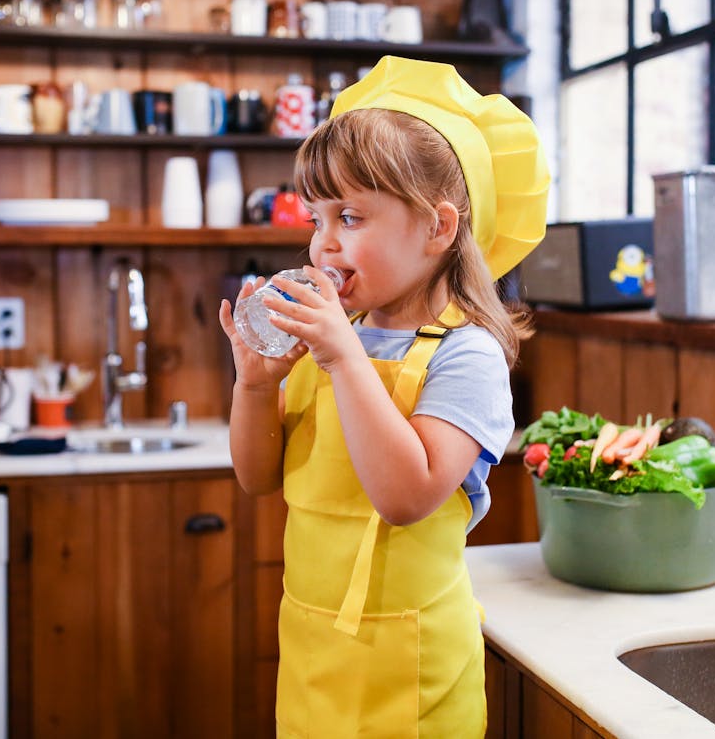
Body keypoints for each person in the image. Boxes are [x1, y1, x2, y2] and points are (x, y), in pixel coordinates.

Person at [219, 56, 549, 738]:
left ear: (438, 227)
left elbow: (407, 494)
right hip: (314, 658)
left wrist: (342, 356)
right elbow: (257, 478)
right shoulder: (337, 338)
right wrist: (254, 386)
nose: (324, 242)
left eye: (350, 216)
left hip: (415, 677)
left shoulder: (468, 355)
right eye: (317, 218)